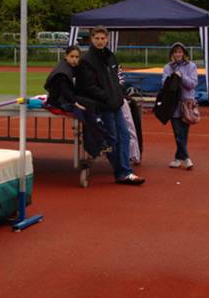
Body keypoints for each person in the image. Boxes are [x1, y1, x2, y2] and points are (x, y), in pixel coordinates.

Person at [76, 26, 145, 185]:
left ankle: (125, 171)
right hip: (102, 106)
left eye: (102, 38)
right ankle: (121, 171)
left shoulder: (110, 56)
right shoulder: (87, 60)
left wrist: (119, 94)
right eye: (97, 38)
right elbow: (88, 86)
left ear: (107, 39)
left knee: (125, 136)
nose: (100, 41)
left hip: (116, 104)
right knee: (112, 139)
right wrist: (107, 97)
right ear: (91, 39)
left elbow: (117, 79)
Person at [44, 45, 109, 158]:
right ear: (66, 56)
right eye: (72, 56)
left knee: (93, 104)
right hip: (60, 101)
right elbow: (65, 93)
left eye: (77, 57)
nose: (74, 59)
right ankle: (97, 143)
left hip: (67, 98)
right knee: (88, 109)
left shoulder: (70, 67)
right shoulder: (62, 73)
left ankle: (98, 141)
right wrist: (75, 103)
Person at [162, 42, 198, 170]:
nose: (178, 54)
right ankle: (187, 159)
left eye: (180, 52)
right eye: (175, 52)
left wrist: (181, 77)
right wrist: (173, 77)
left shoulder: (192, 66)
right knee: (177, 132)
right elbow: (164, 84)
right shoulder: (167, 67)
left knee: (184, 133)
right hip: (173, 103)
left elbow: (192, 84)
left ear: (184, 53)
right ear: (172, 54)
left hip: (187, 102)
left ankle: (177, 158)